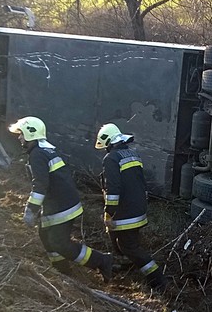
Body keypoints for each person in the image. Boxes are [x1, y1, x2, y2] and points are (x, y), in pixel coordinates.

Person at [9, 116, 114, 282]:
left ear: (31, 134)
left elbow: (40, 185)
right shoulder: (47, 150)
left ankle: (101, 260)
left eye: (21, 133)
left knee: (60, 243)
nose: (19, 137)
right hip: (61, 203)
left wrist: (31, 210)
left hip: (61, 207)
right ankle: (62, 270)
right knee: (45, 235)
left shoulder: (37, 154)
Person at [95, 123, 168, 291]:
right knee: (118, 238)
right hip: (138, 206)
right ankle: (124, 265)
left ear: (109, 143)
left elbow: (113, 189)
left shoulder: (111, 158)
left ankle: (157, 280)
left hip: (125, 210)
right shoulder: (132, 154)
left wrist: (109, 212)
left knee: (129, 246)